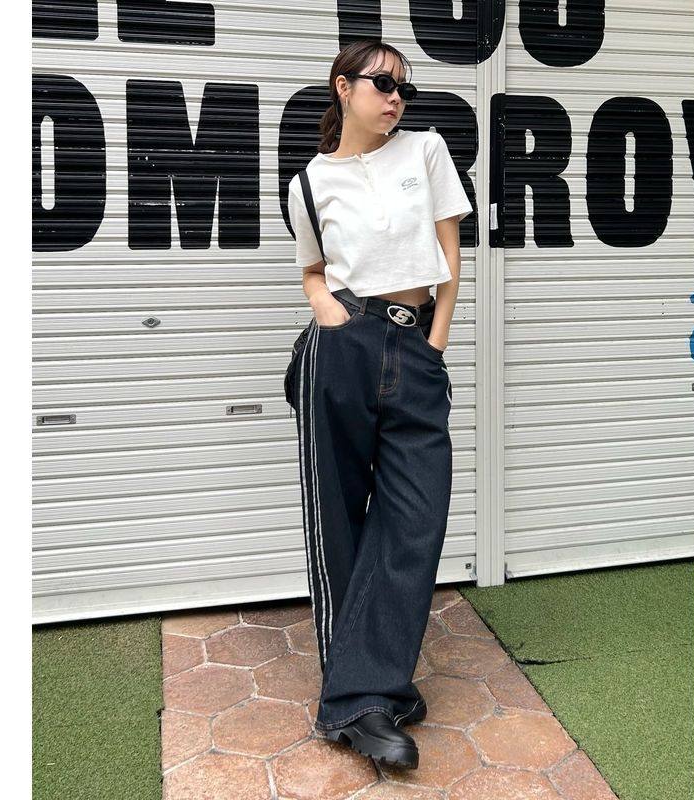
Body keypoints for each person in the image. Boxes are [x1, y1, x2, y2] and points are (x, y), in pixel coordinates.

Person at [285, 39, 473, 770]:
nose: (396, 97)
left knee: (415, 517)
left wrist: (436, 344)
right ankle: (363, 698)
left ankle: (366, 687)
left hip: (413, 345)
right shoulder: (309, 182)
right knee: (338, 517)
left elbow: (450, 255)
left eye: (404, 88)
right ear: (343, 87)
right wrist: (325, 307)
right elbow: (311, 269)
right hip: (343, 347)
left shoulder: (425, 150)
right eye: (382, 83)